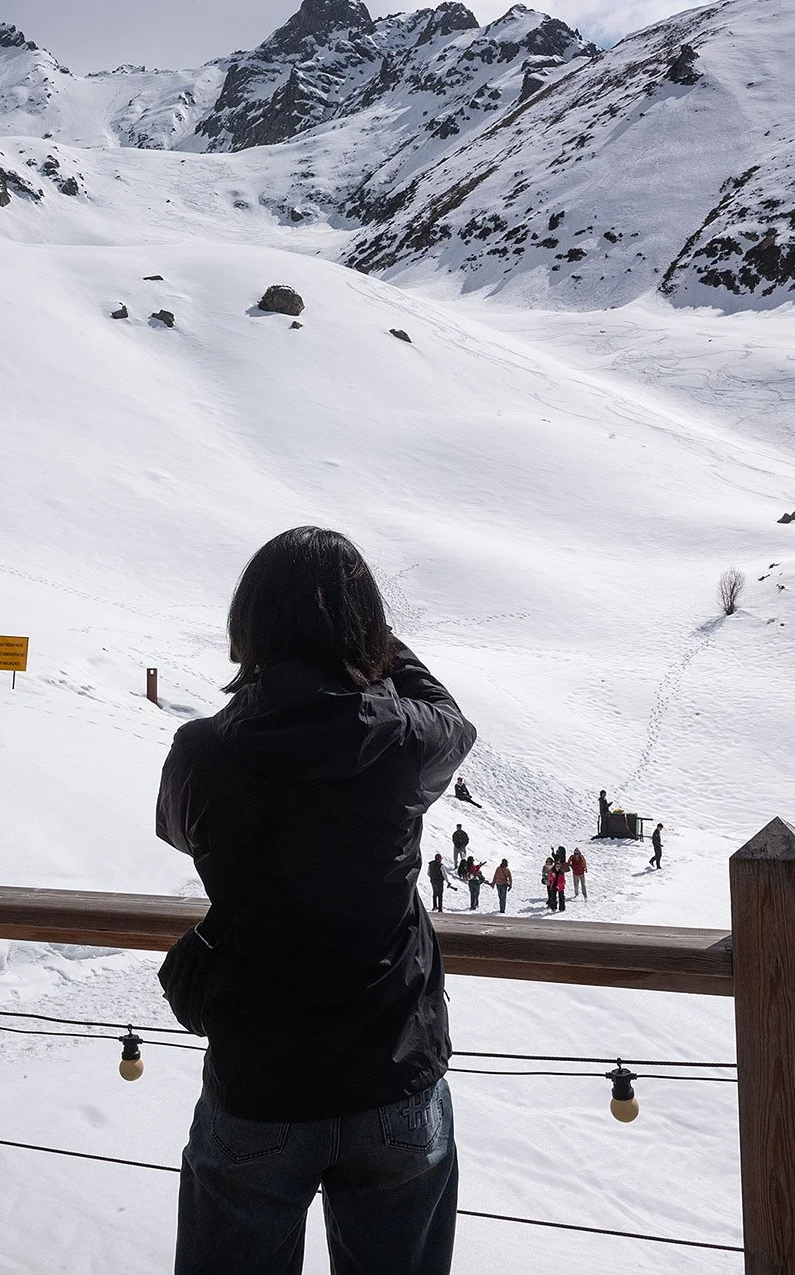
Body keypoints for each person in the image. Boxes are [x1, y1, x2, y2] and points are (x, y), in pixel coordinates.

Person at [156, 526, 476, 1275]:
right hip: (394, 1077)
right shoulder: (399, 737)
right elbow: (455, 725)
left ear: (248, 624)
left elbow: (178, 832)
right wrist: (381, 646)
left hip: (258, 1082)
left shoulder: (203, 750)